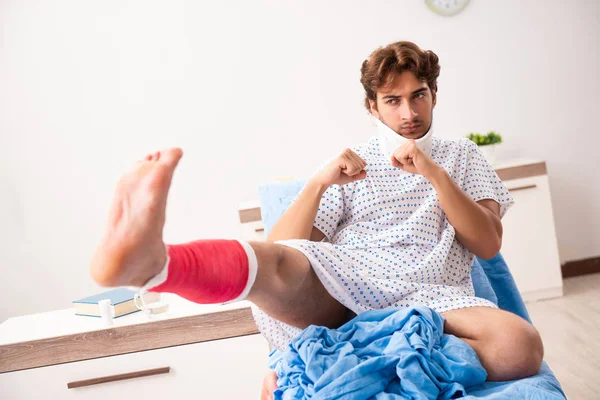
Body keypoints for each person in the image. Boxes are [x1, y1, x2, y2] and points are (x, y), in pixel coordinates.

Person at [89, 41, 543, 398]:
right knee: (281, 267)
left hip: (437, 296)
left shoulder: (461, 155)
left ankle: (360, 350)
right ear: (372, 107)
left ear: (434, 94)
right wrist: (318, 184)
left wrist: (434, 174)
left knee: (520, 346)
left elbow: (487, 244)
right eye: (392, 100)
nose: (408, 113)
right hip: (354, 286)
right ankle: (159, 265)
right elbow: (287, 249)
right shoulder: (354, 163)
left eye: (418, 96)